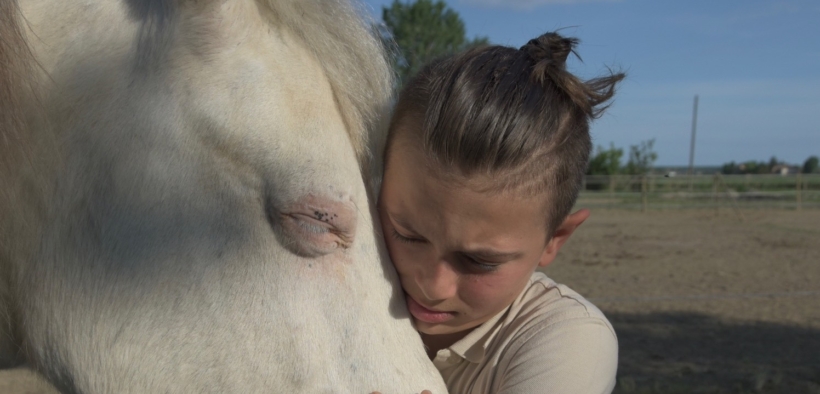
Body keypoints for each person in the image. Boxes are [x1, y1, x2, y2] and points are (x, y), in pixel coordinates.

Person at [377, 31, 624, 394]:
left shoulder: (569, 339)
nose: (433, 285)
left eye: (479, 262)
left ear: (554, 241)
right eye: (407, 235)